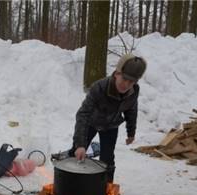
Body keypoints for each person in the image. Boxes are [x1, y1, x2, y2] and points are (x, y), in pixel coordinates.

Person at [60, 54, 147, 182]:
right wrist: (80, 145)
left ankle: (106, 187)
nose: (126, 84)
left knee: (107, 159)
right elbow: (83, 114)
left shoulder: (133, 91)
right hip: (91, 122)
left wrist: (131, 132)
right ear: (117, 73)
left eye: (131, 81)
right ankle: (70, 183)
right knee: (77, 152)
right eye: (124, 78)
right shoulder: (99, 87)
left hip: (111, 125)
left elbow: (131, 110)